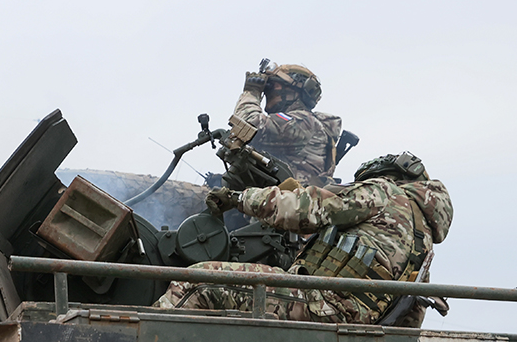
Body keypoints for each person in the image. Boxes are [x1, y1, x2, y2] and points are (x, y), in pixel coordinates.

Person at [154, 152, 453, 326]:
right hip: (350, 324)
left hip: (318, 305)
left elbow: (304, 210)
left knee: (199, 281)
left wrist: (238, 198)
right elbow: (412, 317)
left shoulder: (384, 192)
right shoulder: (421, 242)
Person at [231, 63, 343, 186]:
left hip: (288, 200)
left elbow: (247, 126)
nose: (268, 91)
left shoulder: (304, 121)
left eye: (274, 85)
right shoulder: (306, 122)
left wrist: (251, 92)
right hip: (281, 199)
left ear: (293, 92)